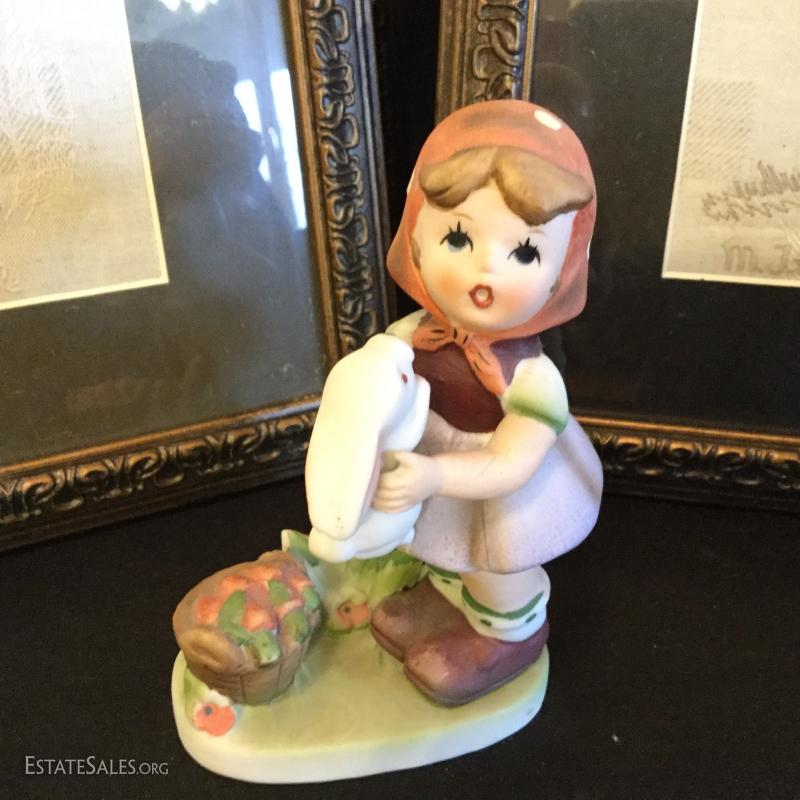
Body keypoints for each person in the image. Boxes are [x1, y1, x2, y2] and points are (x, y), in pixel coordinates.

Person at [368, 99, 604, 706]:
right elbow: (368, 392)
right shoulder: (409, 337)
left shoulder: (532, 379)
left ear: (561, 271)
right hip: (429, 468)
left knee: (495, 564)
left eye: (525, 253)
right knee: (440, 544)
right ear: (416, 239)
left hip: (503, 494)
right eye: (457, 237)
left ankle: (509, 635)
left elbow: (513, 464)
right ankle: (448, 597)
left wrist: (435, 476)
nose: (486, 271)